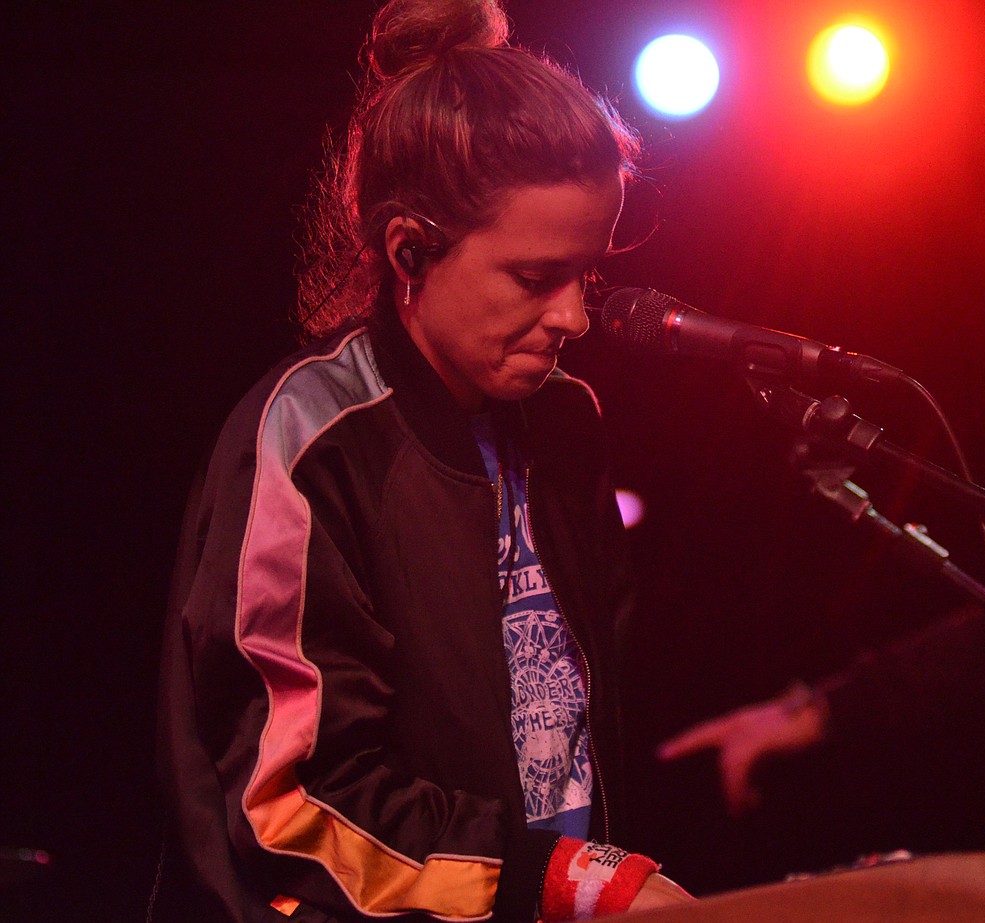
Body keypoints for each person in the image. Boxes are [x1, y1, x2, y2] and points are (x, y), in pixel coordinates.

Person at [157, 1, 691, 920]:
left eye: (587, 276)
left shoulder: (568, 422)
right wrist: (563, 880)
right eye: (535, 278)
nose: (574, 317)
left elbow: (574, 748)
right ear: (411, 251)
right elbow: (291, 804)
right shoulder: (310, 435)